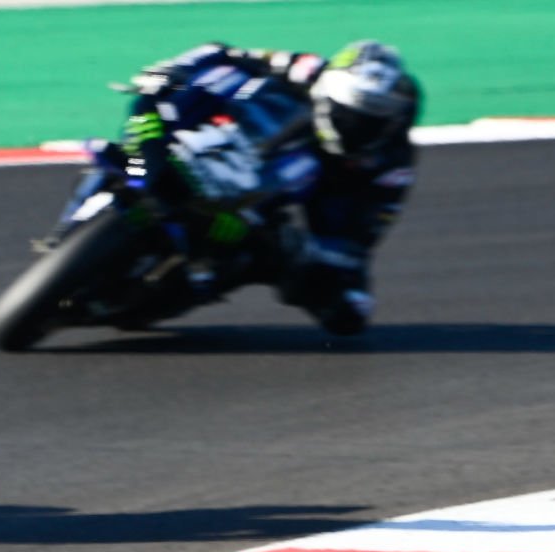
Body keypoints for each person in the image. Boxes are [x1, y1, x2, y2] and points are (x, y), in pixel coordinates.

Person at [122, 39, 420, 334]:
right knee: (185, 90)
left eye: (371, 122)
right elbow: (221, 52)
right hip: (231, 141)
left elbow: (358, 240)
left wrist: (315, 267)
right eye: (349, 113)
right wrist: (170, 76)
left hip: (270, 212)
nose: (357, 127)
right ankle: (142, 155)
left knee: (349, 312)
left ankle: (209, 268)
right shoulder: (307, 69)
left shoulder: (389, 165)